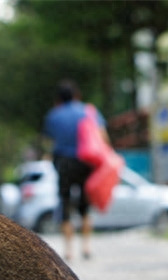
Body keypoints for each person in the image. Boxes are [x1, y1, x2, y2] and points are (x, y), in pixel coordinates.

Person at [43, 79, 108, 261]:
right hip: (85, 161)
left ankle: (68, 250)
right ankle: (86, 246)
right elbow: (102, 136)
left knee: (65, 203)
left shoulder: (53, 115)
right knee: (85, 206)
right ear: (76, 95)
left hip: (63, 162)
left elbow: (49, 140)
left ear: (58, 98)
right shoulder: (87, 112)